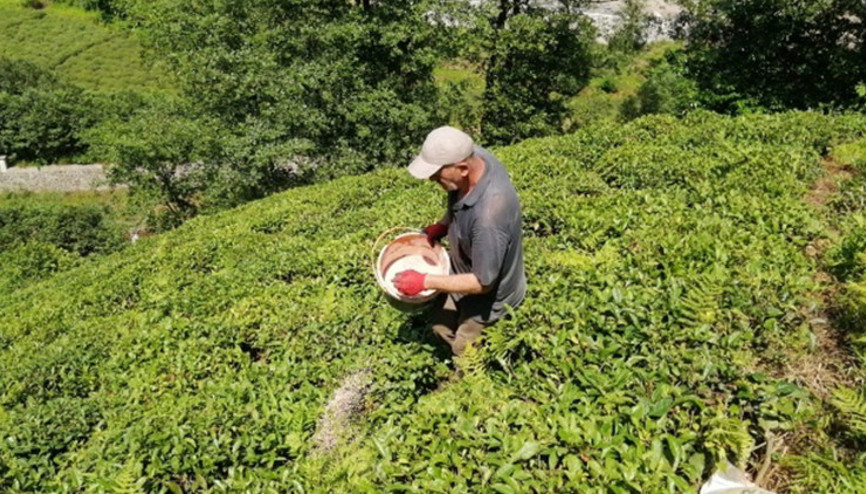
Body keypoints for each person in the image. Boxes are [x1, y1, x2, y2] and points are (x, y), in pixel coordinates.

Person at [391, 126, 526, 356]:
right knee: (438, 327)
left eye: (437, 174)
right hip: (462, 266)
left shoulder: (489, 217)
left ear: (462, 168)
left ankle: (466, 380)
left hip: (490, 298)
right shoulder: (475, 157)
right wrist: (443, 225)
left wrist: (424, 281)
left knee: (463, 347)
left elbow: (483, 283)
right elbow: (459, 200)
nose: (432, 178)